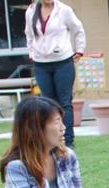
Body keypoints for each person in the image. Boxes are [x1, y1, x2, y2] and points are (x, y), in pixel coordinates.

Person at [25, 0, 85, 148]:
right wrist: (31, 53)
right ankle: (51, 140)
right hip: (41, 63)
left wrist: (79, 50)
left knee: (64, 102)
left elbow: (78, 30)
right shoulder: (31, 11)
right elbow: (29, 35)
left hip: (62, 61)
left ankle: (68, 140)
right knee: (48, 104)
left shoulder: (64, 10)